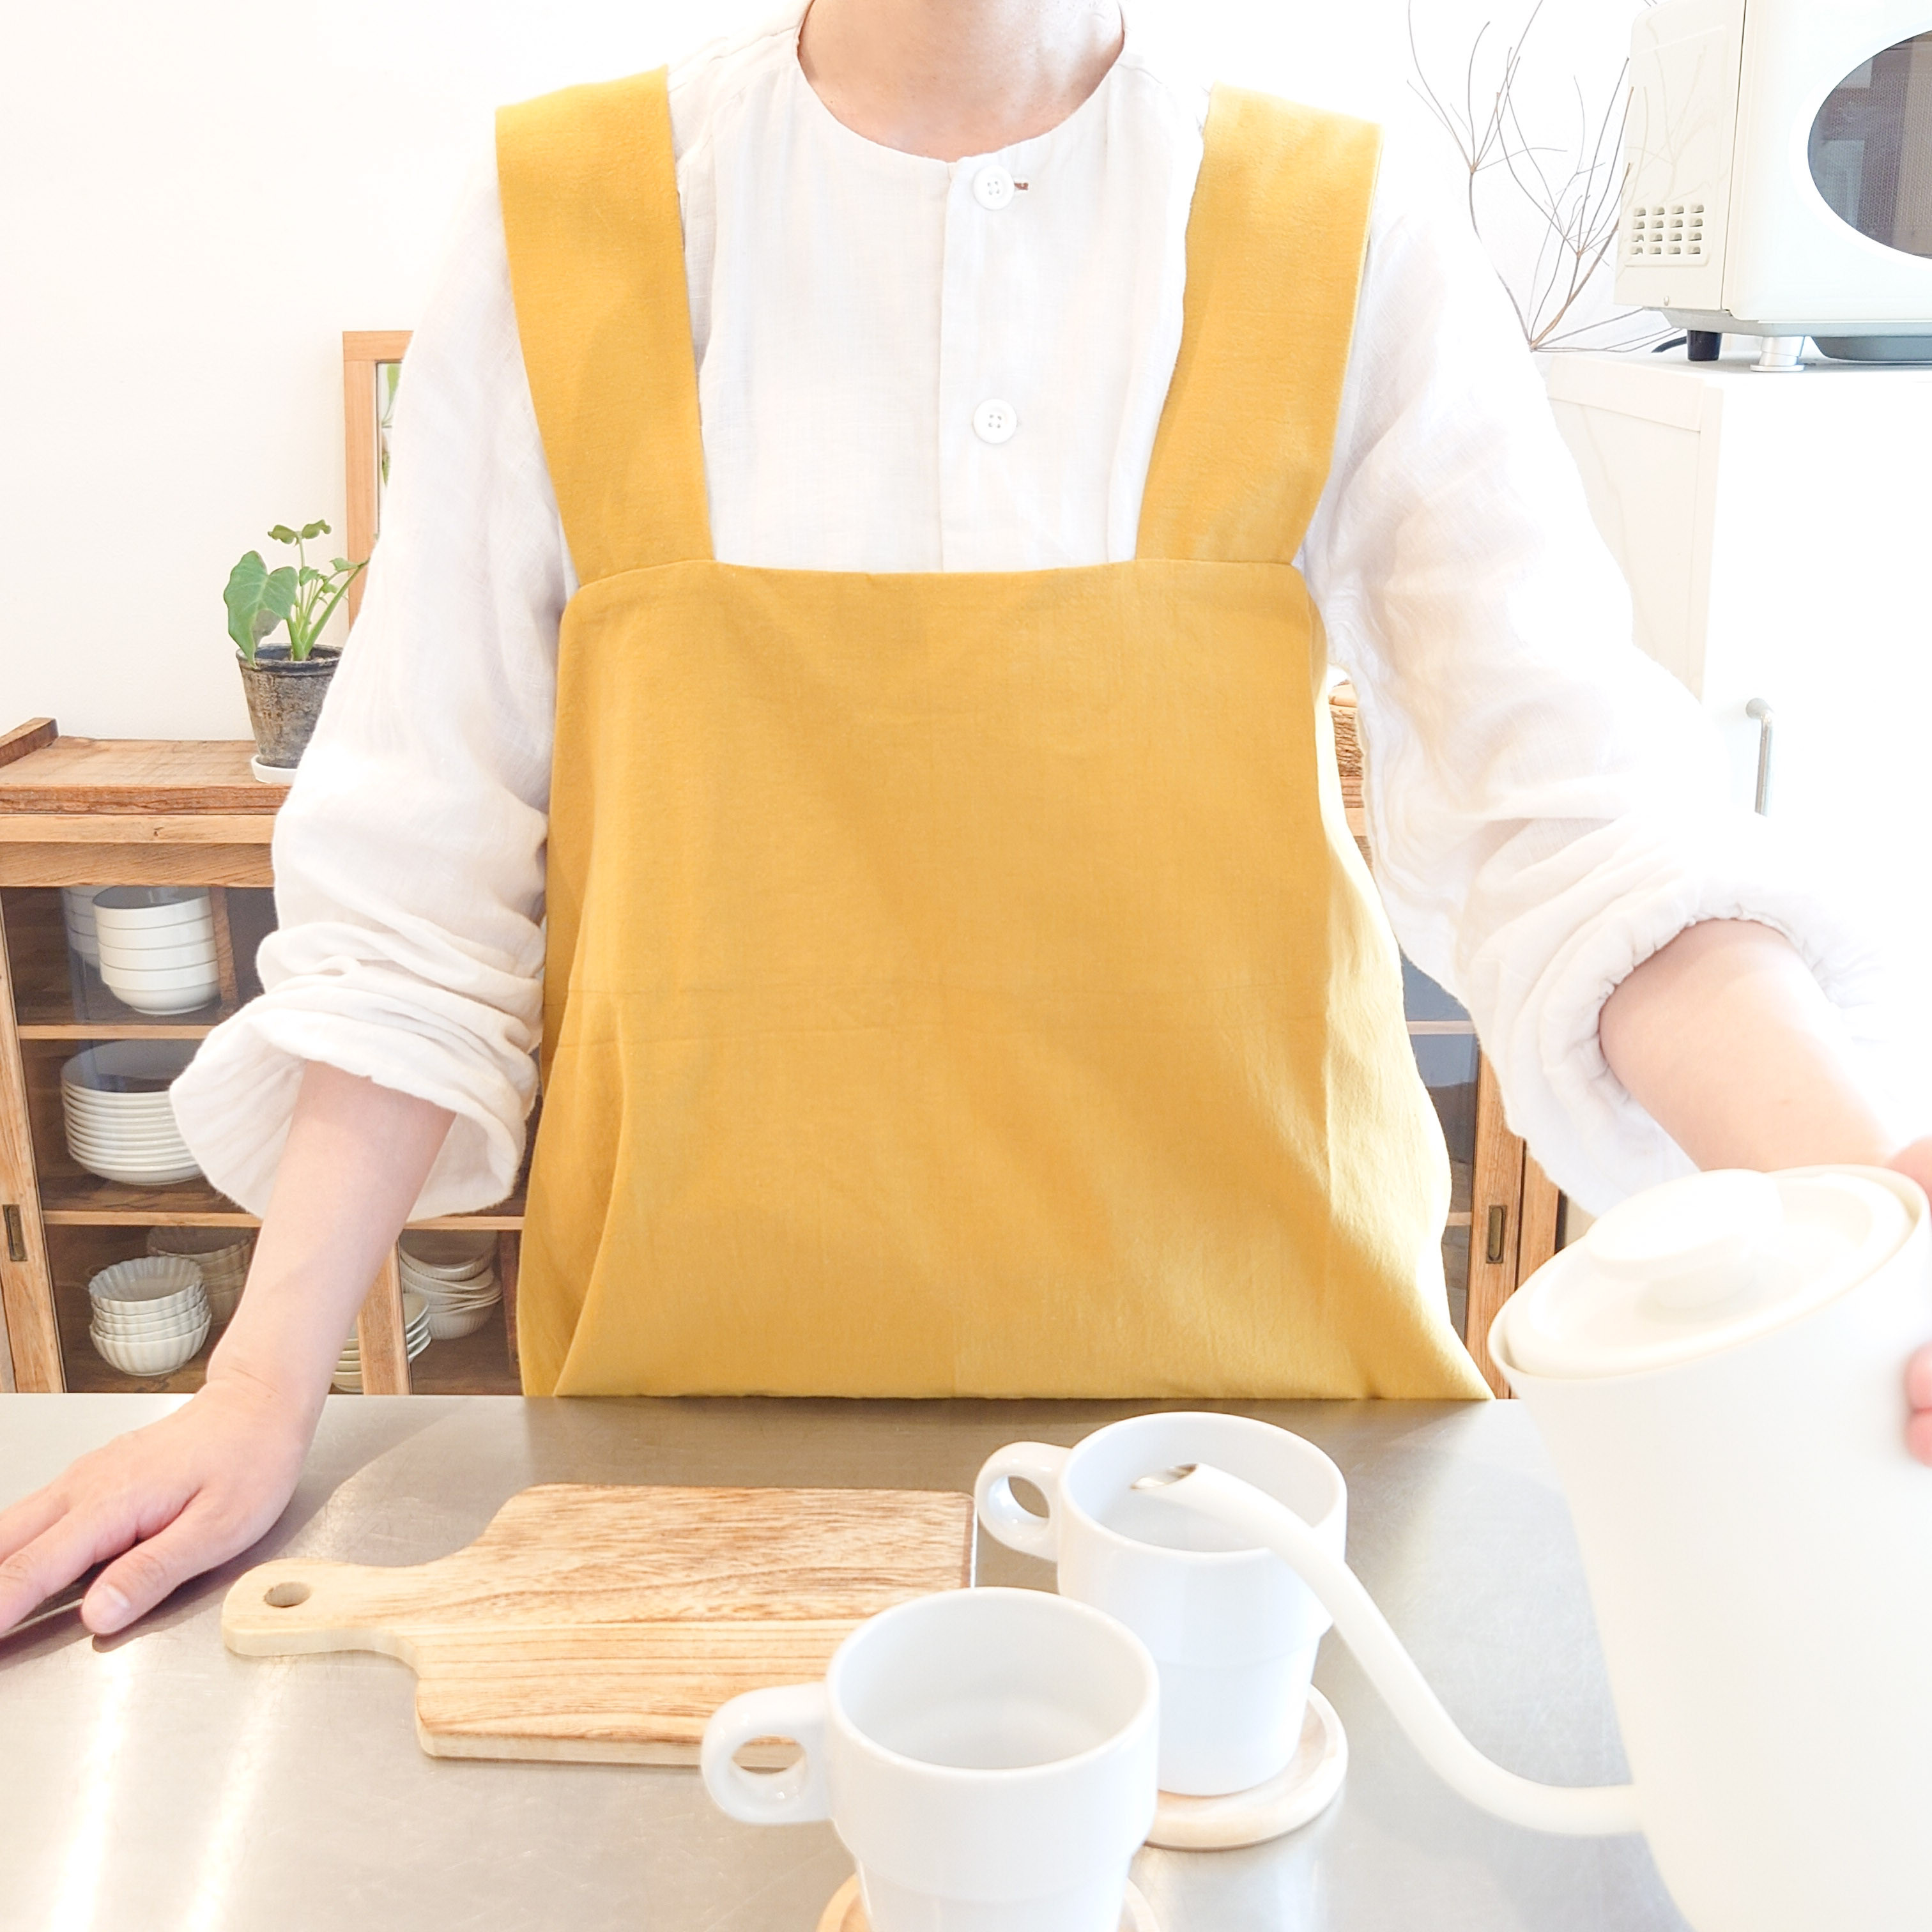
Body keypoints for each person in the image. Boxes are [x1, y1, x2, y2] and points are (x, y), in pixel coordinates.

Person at [4, 0, 1931, 1642]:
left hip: (1272, 1456)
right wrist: (262, 1396)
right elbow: (419, 880)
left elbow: (1581, 820)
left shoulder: (1342, 222)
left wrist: (1879, 1222)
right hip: (689, 1432)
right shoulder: (562, 217)